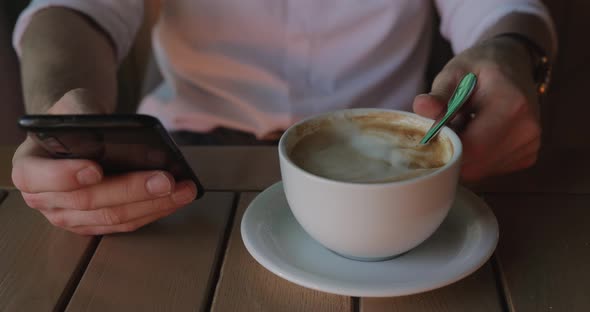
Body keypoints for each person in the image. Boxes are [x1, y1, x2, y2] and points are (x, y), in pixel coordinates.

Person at [10, 0, 557, 235]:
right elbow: (75, 9)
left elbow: (495, 9)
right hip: (181, 164)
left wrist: (511, 49)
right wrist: (62, 116)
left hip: (396, 165)